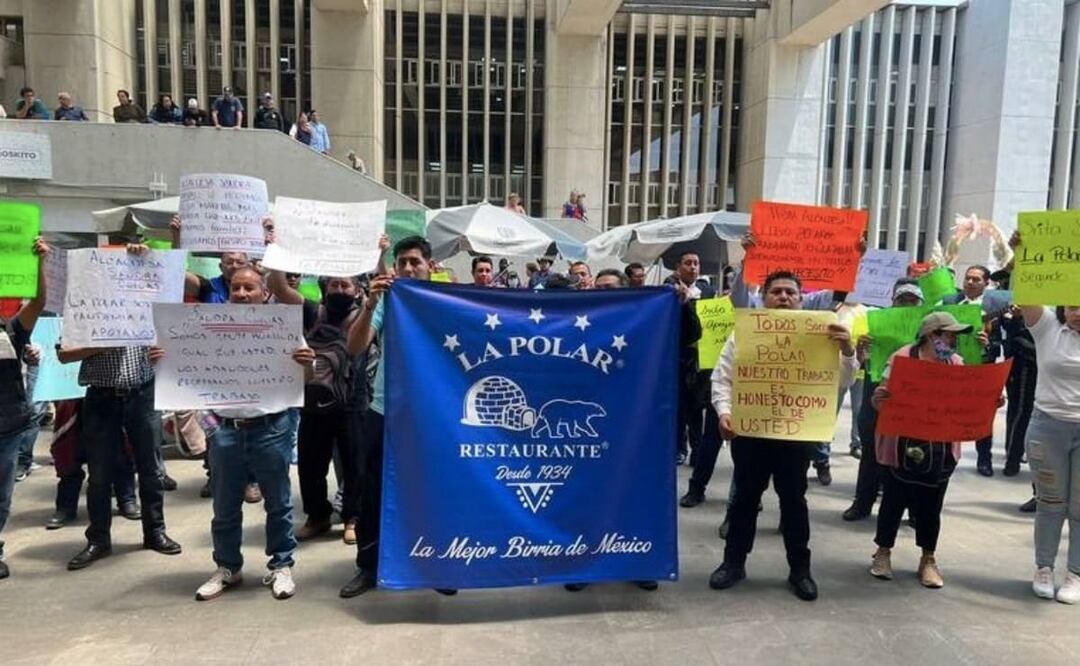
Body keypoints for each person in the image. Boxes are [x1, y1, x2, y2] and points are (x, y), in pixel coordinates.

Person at [709, 270, 857, 601]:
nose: (784, 297)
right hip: (751, 432)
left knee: (794, 502)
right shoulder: (744, 333)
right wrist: (724, 412)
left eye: (790, 292)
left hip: (795, 435)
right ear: (763, 297)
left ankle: (800, 571)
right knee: (744, 501)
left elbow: (844, 381)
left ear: (802, 299)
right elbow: (722, 378)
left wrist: (847, 349)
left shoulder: (823, 333)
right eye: (776, 291)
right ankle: (733, 563)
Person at [178, 266, 313, 601]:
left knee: (278, 503)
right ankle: (228, 567)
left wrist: (307, 363)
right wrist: (164, 360)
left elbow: (307, 379)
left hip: (272, 429)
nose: (241, 293)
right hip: (225, 431)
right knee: (224, 507)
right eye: (236, 288)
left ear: (264, 293)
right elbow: (187, 370)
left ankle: (281, 565)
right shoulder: (207, 330)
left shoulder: (281, 328)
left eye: (249, 288)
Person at [340, 236, 458, 598]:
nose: (408, 268)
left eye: (415, 262)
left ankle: (436, 564)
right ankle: (368, 566)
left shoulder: (450, 301)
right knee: (373, 491)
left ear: (430, 266)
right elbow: (355, 346)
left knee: (433, 491)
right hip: (385, 412)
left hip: (433, 416)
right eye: (402, 262)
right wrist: (370, 303)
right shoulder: (387, 301)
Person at [58, 243, 181, 571]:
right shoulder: (84, 308)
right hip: (101, 397)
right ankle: (98, 539)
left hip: (143, 395)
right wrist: (99, 345)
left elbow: (171, 278)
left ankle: (155, 532)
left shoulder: (151, 306)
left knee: (151, 470)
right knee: (100, 473)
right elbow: (64, 354)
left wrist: (150, 253)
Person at [868, 311, 976, 588]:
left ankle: (928, 559)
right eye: (949, 335)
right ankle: (883, 552)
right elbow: (881, 397)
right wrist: (880, 397)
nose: (954, 340)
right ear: (931, 335)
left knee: (932, 504)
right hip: (901, 443)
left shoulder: (956, 363)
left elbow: (966, 400)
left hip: (941, 447)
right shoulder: (902, 358)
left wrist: (988, 401)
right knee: (893, 500)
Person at [265, 254, 366, 544]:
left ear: (357, 290)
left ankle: (353, 518)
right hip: (312, 400)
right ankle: (318, 516)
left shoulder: (364, 314)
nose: (339, 290)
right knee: (310, 464)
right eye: (334, 284)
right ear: (324, 287)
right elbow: (279, 287)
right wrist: (277, 251)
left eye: (345, 285)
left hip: (351, 402)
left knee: (354, 464)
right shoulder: (311, 311)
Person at [842, 280, 925, 522]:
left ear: (920, 304)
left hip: (913, 401)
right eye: (902, 300)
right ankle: (862, 503)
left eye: (912, 301)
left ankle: (913, 510)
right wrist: (862, 349)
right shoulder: (875, 325)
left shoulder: (929, 329)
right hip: (876, 394)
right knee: (871, 450)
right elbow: (859, 365)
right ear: (893, 302)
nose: (907, 305)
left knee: (912, 454)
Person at [0, 237, 50, 580]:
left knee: (2, 497)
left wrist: (39, 263)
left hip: (7, 426)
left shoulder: (12, 329)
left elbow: (39, 301)